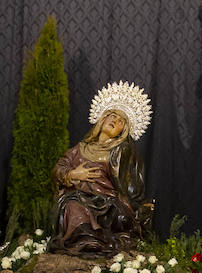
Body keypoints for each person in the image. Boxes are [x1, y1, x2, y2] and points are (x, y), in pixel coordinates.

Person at [51, 81, 152, 255]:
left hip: (107, 204)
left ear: (122, 132)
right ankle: (88, 241)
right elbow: (58, 168)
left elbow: (131, 186)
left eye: (121, 121)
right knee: (72, 206)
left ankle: (95, 239)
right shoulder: (81, 148)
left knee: (115, 216)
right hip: (79, 199)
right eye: (112, 115)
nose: (115, 120)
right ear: (102, 118)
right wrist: (73, 174)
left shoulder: (120, 151)